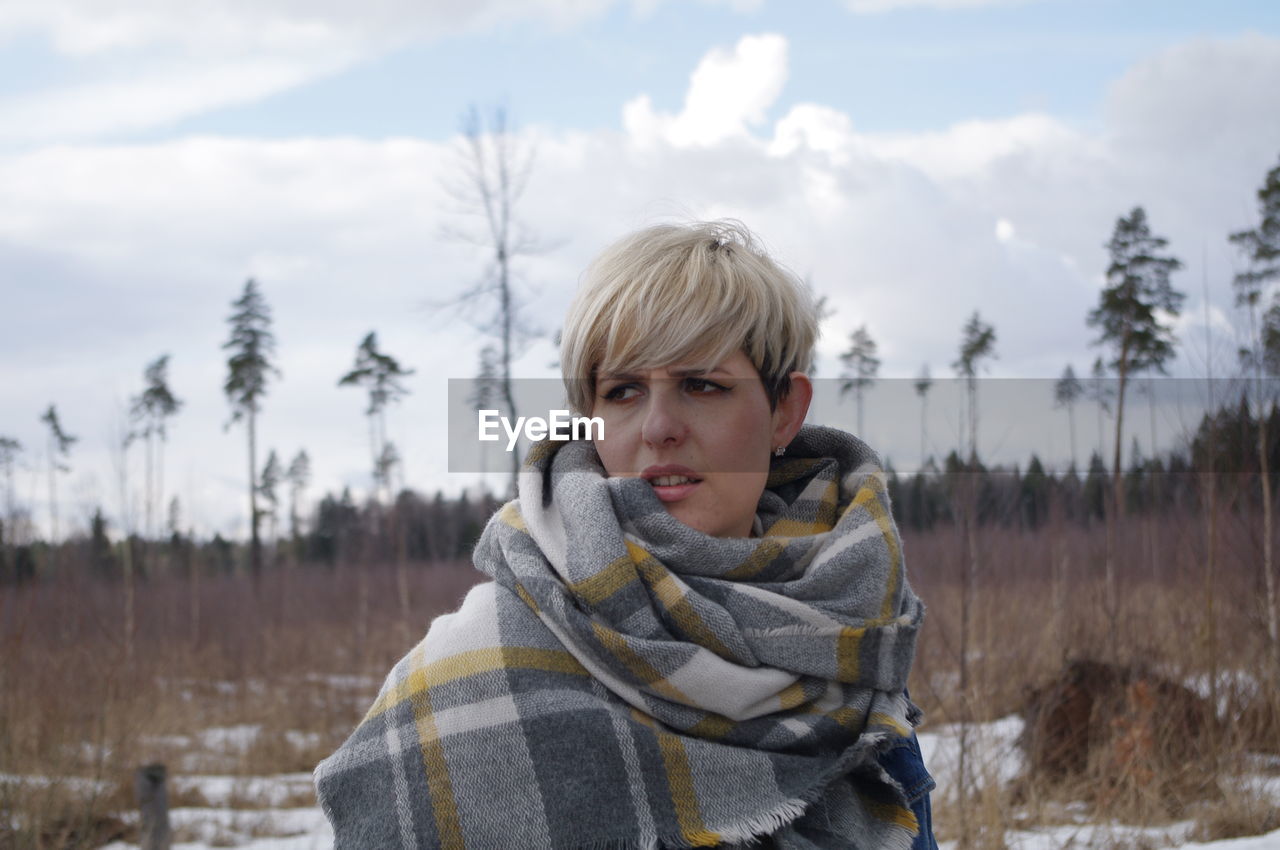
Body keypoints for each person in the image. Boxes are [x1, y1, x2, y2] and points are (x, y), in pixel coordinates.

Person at [315, 220, 936, 849]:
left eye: (702, 385)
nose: (659, 426)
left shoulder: (850, 624)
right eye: (623, 391)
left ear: (784, 411)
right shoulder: (478, 674)